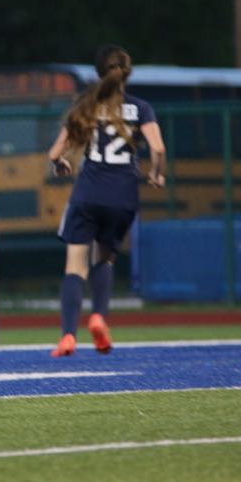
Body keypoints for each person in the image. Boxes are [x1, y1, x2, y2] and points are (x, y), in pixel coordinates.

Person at [46, 44, 165, 357]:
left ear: (98, 72)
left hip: (88, 193)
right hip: (123, 196)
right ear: (127, 73)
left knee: (75, 265)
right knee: (106, 257)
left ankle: (68, 335)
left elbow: (55, 152)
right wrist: (156, 174)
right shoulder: (140, 108)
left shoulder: (87, 106)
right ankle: (98, 316)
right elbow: (158, 148)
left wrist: (61, 164)